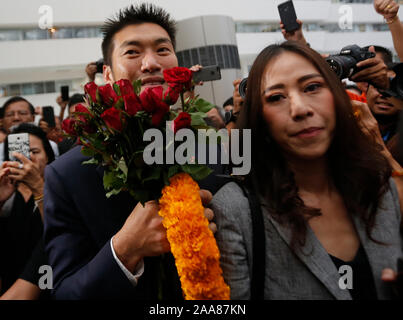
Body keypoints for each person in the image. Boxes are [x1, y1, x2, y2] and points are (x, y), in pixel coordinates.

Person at [44, 3, 220, 300]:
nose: (151, 63)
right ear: (108, 74)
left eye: (163, 50)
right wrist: (126, 248)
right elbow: (65, 293)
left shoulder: (213, 150)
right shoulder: (67, 175)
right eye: (133, 52)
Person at [212, 41, 403, 300]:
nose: (300, 109)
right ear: (258, 116)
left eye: (312, 87)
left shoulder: (382, 187)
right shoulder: (235, 210)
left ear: (337, 94)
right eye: (276, 97)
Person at [0, 123, 55, 299]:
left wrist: (38, 187)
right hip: (7, 283)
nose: (27, 158)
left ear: (48, 156)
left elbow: (57, 234)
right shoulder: (3, 189)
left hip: (46, 283)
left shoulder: (59, 189)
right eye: (19, 153)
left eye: (34, 152)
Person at [0, 97, 59, 175]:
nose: (16, 118)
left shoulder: (51, 145)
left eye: (22, 113)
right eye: (10, 114)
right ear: (2, 120)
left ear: (33, 117)